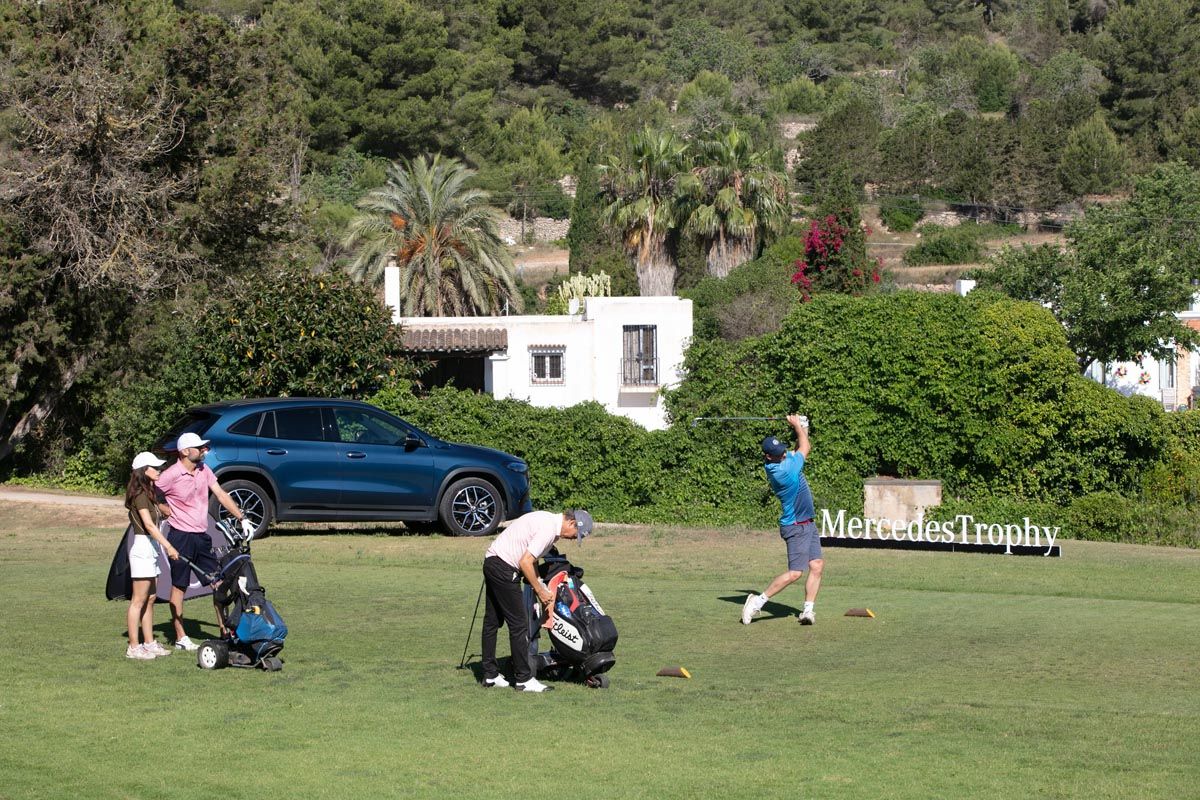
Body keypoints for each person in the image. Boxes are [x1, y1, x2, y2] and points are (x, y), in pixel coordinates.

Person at [480, 508, 594, 692]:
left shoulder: (547, 520)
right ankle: (523, 679)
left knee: (492, 622)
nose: (574, 538)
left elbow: (532, 559)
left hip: (492, 561)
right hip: (504, 567)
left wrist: (538, 584)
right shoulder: (549, 529)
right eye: (576, 534)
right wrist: (541, 592)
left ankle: (490, 675)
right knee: (519, 625)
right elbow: (525, 561)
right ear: (572, 523)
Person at [156, 431, 251, 651]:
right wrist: (164, 509)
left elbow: (221, 494)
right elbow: (149, 493)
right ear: (185, 451)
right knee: (179, 587)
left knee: (218, 583)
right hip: (180, 537)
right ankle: (181, 636)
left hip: (201, 536)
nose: (204, 450)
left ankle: (225, 631)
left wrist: (242, 518)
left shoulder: (204, 470)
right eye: (200, 448)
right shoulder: (171, 475)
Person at [741, 414, 824, 626]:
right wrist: (798, 426)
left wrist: (803, 428)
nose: (784, 454)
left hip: (808, 523)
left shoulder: (780, 461)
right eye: (780, 454)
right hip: (795, 526)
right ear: (769, 457)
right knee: (795, 573)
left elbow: (798, 448)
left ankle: (807, 611)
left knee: (816, 565)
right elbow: (805, 448)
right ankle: (757, 602)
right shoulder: (782, 471)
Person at [123, 452, 180, 660]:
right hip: (142, 548)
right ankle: (134, 646)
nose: (159, 470)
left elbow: (164, 513)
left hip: (151, 548)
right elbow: (148, 525)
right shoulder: (139, 494)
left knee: (151, 598)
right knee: (138, 600)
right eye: (155, 468)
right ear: (143, 471)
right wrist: (169, 546)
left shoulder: (149, 493)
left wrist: (163, 505)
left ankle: (149, 642)